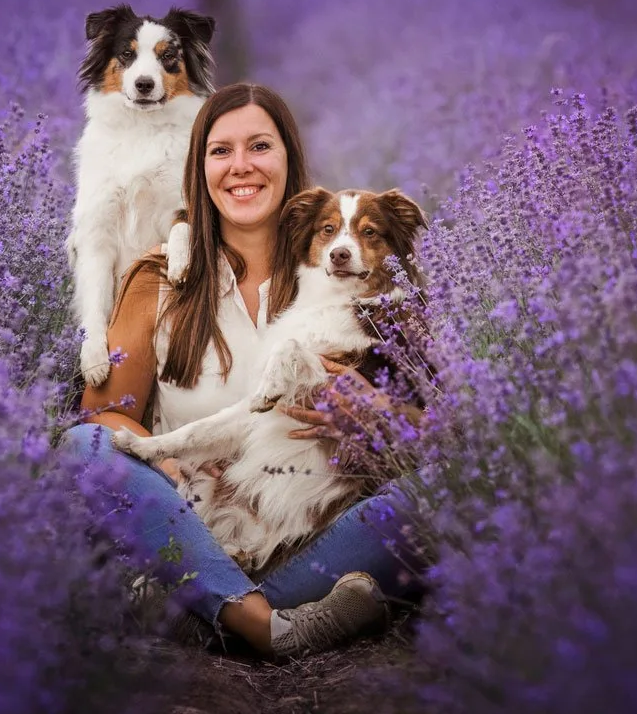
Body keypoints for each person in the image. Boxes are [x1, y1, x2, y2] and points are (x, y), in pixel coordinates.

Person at [60, 82, 429, 660]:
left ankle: (209, 611)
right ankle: (270, 623)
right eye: (220, 151)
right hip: (198, 521)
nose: (241, 167)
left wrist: (378, 415)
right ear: (198, 166)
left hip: (311, 533)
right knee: (83, 447)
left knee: (442, 492)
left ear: (288, 159)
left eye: (259, 146)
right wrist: (171, 469)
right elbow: (103, 414)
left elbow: (437, 427)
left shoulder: (340, 272)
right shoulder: (157, 278)